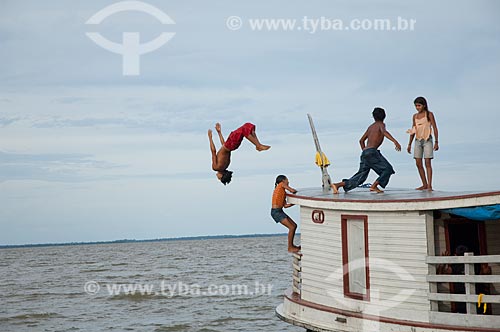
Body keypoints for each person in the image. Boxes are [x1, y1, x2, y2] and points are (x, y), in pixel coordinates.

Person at [331, 107, 401, 194]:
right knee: (388, 169)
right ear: (384, 116)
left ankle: (337, 185)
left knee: (360, 177)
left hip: (365, 153)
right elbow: (384, 132)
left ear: (373, 117)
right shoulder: (381, 124)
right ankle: (374, 186)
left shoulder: (370, 127)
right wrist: (395, 141)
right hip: (372, 152)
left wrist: (365, 151)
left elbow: (361, 141)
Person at [406, 96, 439, 191]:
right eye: (416, 106)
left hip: (427, 139)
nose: (417, 107)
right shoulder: (415, 116)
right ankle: (424, 184)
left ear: (424, 105)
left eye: (419, 105)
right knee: (418, 163)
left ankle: (429, 185)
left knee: (427, 162)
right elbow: (413, 129)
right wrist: (409, 144)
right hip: (417, 140)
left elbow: (435, 128)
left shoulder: (429, 114)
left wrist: (436, 142)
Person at [271, 175, 301, 253]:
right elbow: (292, 190)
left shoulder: (282, 192)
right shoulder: (281, 185)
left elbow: (285, 206)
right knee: (291, 227)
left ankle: (292, 246)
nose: (288, 182)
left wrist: (295, 202)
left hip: (279, 211)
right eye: (287, 180)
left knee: (294, 226)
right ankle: (290, 247)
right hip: (276, 212)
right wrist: (296, 192)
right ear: (283, 180)